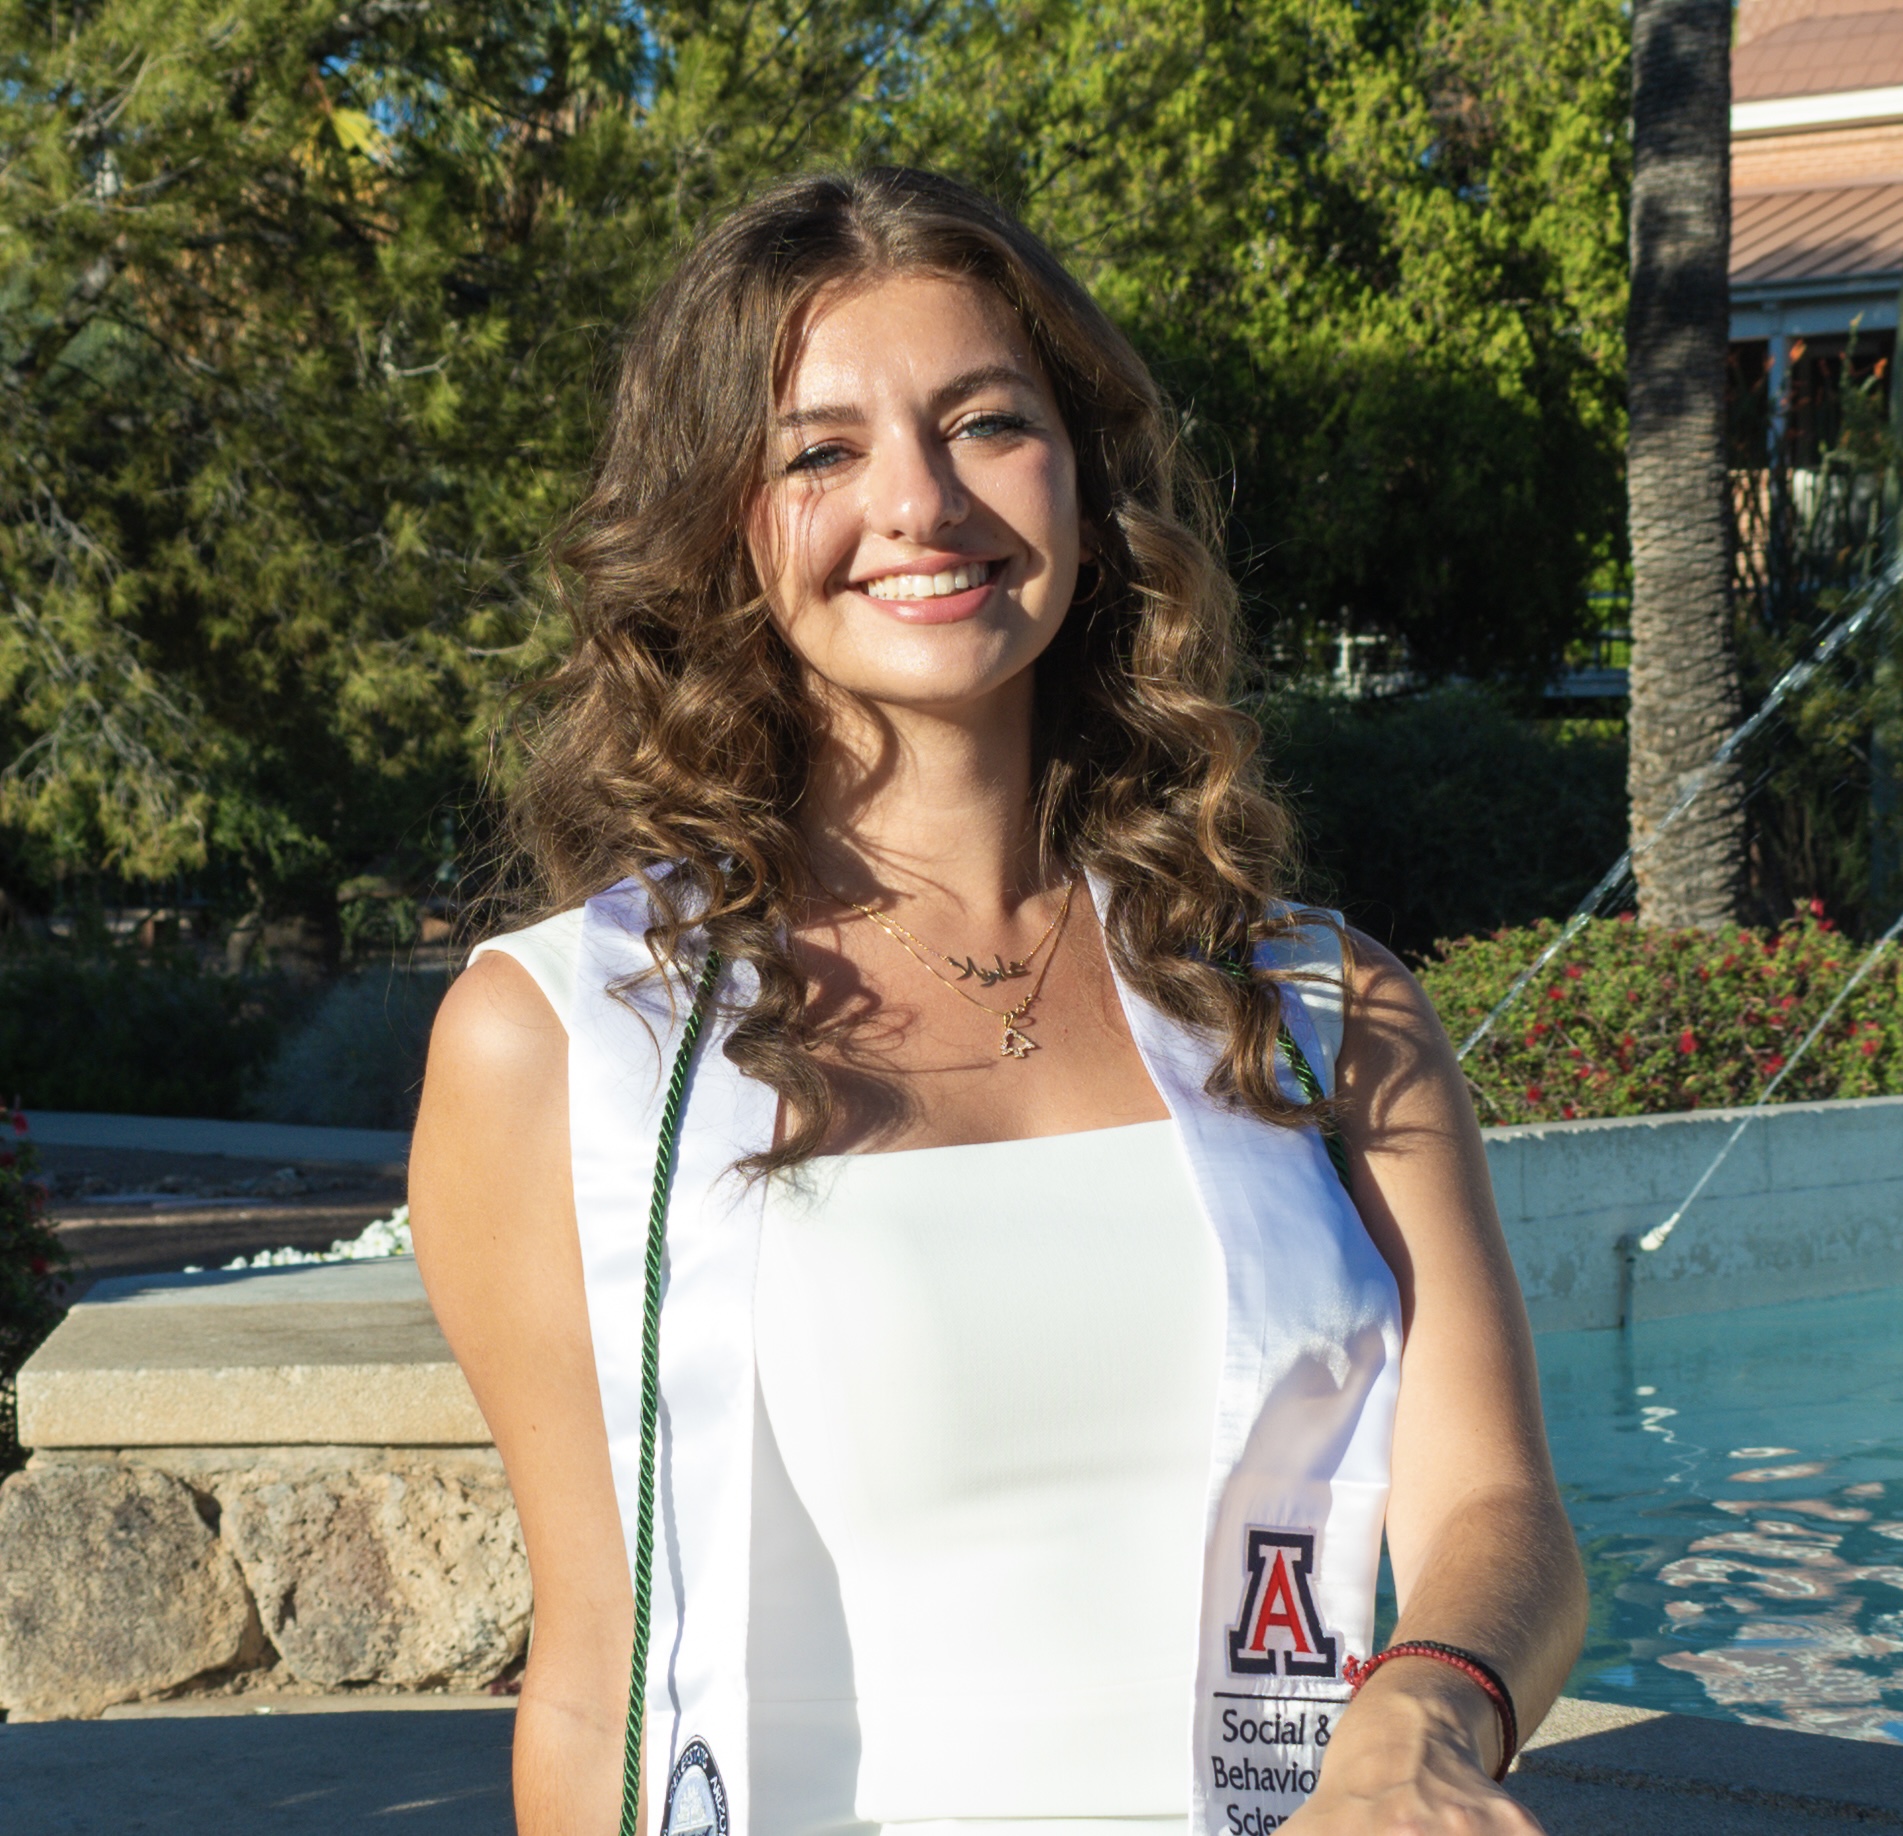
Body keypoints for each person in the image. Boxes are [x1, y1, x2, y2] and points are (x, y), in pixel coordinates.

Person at [410, 166, 1586, 1836]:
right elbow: (598, 1672)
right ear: (721, 526)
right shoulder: (570, 1037)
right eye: (820, 452)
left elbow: (1498, 1513)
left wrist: (1419, 1719)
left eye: (984, 424)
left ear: (1086, 485)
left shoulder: (1319, 1008)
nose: (920, 502)